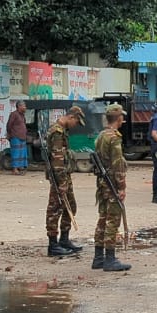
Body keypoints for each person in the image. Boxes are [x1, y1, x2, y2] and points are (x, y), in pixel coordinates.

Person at [91, 104, 130, 272]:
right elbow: (117, 164)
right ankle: (110, 258)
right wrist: (122, 187)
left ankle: (98, 257)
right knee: (112, 220)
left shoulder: (101, 135)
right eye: (122, 116)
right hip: (112, 183)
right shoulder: (114, 137)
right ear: (119, 118)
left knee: (102, 218)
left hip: (102, 183)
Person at [46, 106, 86, 255]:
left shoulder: (63, 131)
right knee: (55, 209)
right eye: (76, 122)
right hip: (59, 177)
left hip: (64, 175)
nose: (75, 125)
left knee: (71, 206)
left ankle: (64, 239)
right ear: (71, 117)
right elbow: (57, 159)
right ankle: (53, 245)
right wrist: (62, 183)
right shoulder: (57, 132)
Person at [5, 100, 28, 175]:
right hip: (15, 137)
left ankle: (20, 167)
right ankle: (14, 169)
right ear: (19, 106)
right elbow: (9, 125)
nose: (25, 107)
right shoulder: (14, 114)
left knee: (22, 153)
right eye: (24, 106)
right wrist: (10, 134)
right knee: (16, 153)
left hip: (22, 137)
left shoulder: (22, 115)